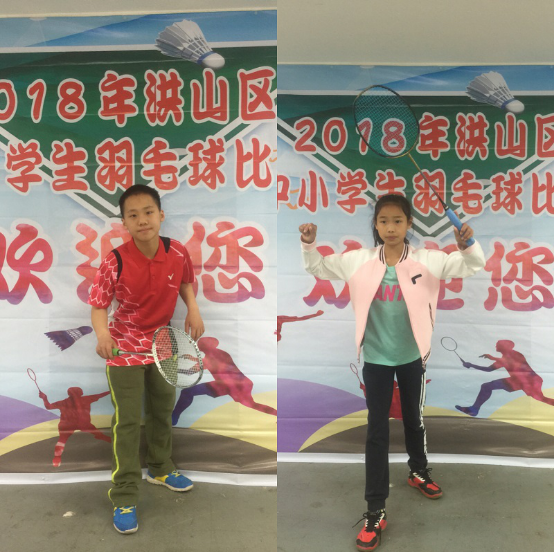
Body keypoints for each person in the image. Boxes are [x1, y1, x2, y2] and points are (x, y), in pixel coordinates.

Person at [299, 194, 485, 552]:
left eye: (398, 220)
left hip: (413, 356)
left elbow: (471, 265)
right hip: (376, 359)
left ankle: (418, 471)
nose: (390, 227)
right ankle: (375, 510)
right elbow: (319, 268)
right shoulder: (358, 260)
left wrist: (467, 245)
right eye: (383, 220)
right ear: (376, 225)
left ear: (409, 224)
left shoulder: (428, 260)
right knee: (377, 431)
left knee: (413, 418)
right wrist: (308, 245)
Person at [89, 184, 205, 535]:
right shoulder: (115, 260)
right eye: (133, 215)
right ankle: (124, 495)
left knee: (161, 410)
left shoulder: (177, 251)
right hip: (123, 349)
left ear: (161, 215)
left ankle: (160, 467)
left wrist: (193, 309)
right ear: (124, 222)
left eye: (148, 212)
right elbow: (98, 306)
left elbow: (186, 283)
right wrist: (103, 336)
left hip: (163, 344)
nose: (142, 220)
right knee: (126, 421)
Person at [456, 339, 554, 416]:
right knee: (487, 386)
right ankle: (474, 410)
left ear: (505, 346)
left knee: (540, 398)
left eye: (498, 344)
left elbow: (511, 362)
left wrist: (493, 358)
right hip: (518, 381)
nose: (496, 346)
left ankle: (474, 409)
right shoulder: (504, 358)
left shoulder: (516, 354)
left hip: (530, 381)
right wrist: (471, 365)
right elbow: (489, 369)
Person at [38, 387, 111, 467]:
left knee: (62, 440)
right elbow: (100, 395)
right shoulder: (86, 399)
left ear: (68, 393)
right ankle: (106, 439)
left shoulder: (63, 402)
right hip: (84, 424)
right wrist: (111, 391)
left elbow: (48, 406)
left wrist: (44, 398)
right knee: (99, 434)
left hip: (67, 425)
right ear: (81, 393)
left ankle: (57, 457)